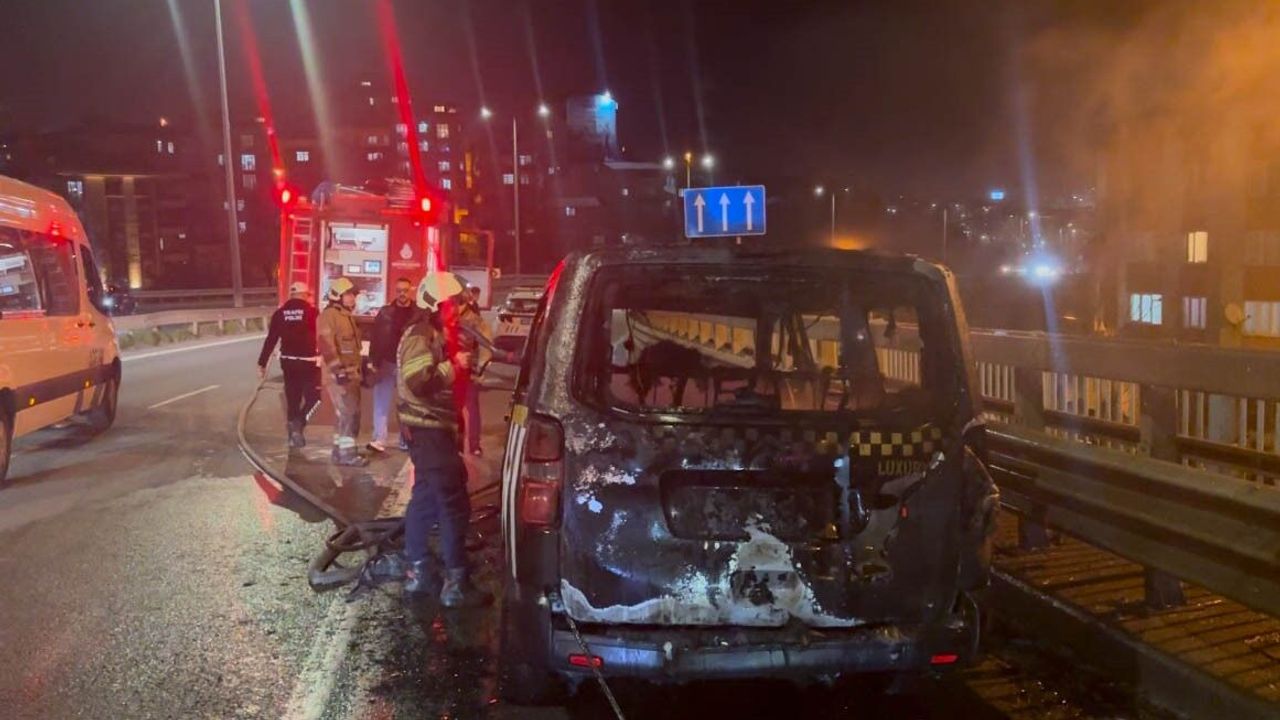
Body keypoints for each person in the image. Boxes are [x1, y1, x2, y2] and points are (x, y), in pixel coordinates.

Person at [398, 271, 490, 607]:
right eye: (451, 305)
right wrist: (454, 366)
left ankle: (419, 571)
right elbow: (419, 380)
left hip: (431, 429)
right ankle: (455, 584)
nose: (456, 311)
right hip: (428, 430)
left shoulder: (433, 332)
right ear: (434, 305)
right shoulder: (420, 335)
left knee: (424, 499)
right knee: (454, 503)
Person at [257, 281, 321, 448]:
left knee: (293, 400)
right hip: (308, 363)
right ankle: (299, 424)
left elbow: (271, 340)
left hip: (288, 363)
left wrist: (262, 363)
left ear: (291, 295)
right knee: (315, 398)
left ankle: (292, 436)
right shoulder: (312, 312)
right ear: (304, 295)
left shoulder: (279, 314)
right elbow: (321, 336)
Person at [367, 277, 421, 453]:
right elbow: (375, 337)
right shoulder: (385, 312)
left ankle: (405, 439)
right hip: (386, 362)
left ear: (410, 291)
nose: (402, 294)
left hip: (407, 363)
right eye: (399, 290)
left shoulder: (419, 313)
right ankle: (379, 438)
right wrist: (373, 361)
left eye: (405, 290)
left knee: (406, 404)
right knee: (381, 402)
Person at [318, 277, 367, 467]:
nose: (353, 298)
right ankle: (347, 455)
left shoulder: (346, 316)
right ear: (337, 296)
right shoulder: (329, 316)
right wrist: (338, 370)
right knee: (349, 414)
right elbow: (326, 345)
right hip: (339, 375)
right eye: (348, 294)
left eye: (353, 294)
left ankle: (339, 452)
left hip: (350, 373)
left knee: (345, 414)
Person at [455, 285, 493, 456]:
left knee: (471, 408)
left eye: (459, 303)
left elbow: (486, 345)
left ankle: (474, 444)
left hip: (469, 369)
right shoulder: (447, 319)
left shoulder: (474, 321)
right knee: (453, 409)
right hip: (450, 368)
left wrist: (480, 368)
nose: (456, 308)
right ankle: (457, 443)